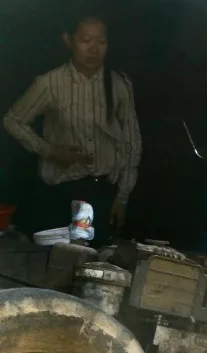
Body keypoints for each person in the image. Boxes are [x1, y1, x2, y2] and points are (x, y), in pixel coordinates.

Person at [3, 15, 141, 245]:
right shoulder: (49, 83)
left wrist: (122, 197)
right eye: (86, 40)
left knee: (97, 267)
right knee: (57, 265)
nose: (94, 49)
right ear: (68, 41)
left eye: (102, 42)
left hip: (103, 195)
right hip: (60, 195)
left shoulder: (119, 84)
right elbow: (13, 121)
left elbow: (131, 142)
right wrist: (50, 150)